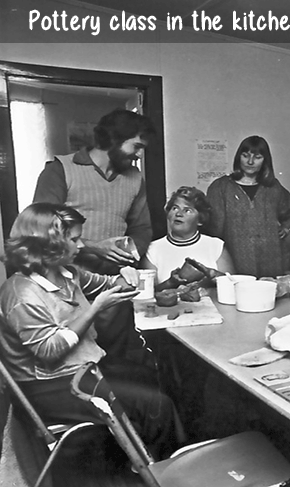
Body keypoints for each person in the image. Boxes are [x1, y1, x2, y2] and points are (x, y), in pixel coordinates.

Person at [0, 203, 181, 459]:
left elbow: (109, 284)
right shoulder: (22, 293)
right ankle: (160, 469)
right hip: (50, 385)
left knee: (150, 374)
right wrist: (95, 309)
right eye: (74, 239)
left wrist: (126, 277)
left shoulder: (67, 274)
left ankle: (143, 455)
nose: (82, 246)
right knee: (155, 404)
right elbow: (48, 352)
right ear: (48, 243)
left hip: (82, 368)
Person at [33, 109, 156, 359]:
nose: (140, 154)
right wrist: (93, 246)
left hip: (114, 287)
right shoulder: (60, 170)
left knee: (115, 361)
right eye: (136, 146)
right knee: (75, 359)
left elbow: (142, 228)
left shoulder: (135, 178)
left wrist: (129, 253)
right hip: (68, 286)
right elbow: (42, 228)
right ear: (113, 140)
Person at [207, 136, 290, 278]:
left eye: (257, 157)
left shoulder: (272, 187)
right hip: (234, 257)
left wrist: (286, 227)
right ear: (238, 157)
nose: (250, 162)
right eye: (245, 156)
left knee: (271, 295)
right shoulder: (221, 187)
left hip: (271, 258)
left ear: (265, 160)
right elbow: (212, 227)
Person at [142, 186, 234, 283]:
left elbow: (231, 285)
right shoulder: (152, 250)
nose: (179, 214)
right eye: (175, 208)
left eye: (187, 210)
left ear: (200, 220)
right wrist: (170, 283)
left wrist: (211, 276)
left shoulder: (216, 247)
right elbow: (150, 294)